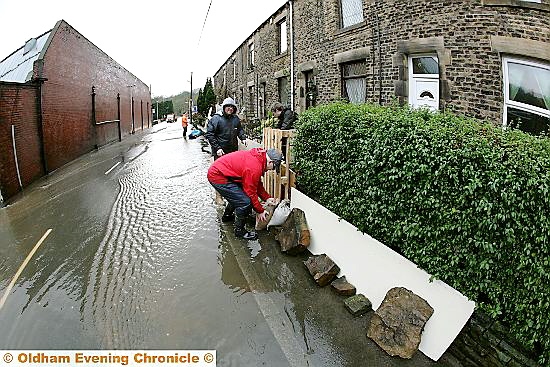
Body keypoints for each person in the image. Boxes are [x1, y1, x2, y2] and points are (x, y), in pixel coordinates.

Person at [207, 148, 284, 240]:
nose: (272, 170)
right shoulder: (255, 166)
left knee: (237, 197)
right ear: (270, 162)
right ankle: (239, 231)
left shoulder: (259, 158)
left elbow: (256, 183)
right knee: (244, 202)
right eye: (274, 167)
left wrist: (266, 198)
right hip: (217, 176)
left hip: (223, 172)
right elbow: (251, 192)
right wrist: (260, 211)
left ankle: (226, 217)